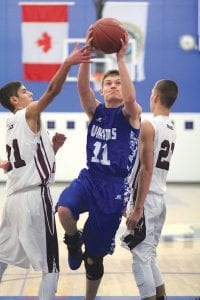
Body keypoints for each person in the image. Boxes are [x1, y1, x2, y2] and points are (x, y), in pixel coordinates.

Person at [0, 43, 91, 299]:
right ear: (14, 100)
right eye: (25, 91)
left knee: (2, 255)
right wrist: (68, 63)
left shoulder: (10, 124)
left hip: (13, 200)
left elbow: (27, 161)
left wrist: (52, 148)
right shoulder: (28, 113)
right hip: (34, 200)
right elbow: (53, 90)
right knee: (51, 268)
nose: (31, 94)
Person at [56, 30, 142, 300]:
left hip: (113, 188)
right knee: (63, 210)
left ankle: (89, 298)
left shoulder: (131, 113)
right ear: (102, 89)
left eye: (118, 82)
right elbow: (82, 89)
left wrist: (121, 60)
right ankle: (72, 241)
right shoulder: (96, 111)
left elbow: (129, 99)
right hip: (90, 177)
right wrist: (85, 59)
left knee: (94, 259)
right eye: (109, 83)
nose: (114, 86)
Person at [121, 79, 178, 300]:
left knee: (140, 259)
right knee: (149, 256)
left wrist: (137, 208)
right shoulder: (171, 127)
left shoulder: (149, 125)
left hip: (146, 200)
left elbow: (146, 170)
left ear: (155, 96)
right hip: (159, 199)